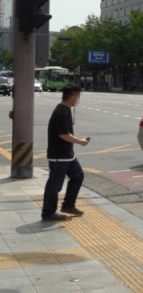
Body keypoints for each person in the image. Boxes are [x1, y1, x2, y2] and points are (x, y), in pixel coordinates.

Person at [42, 84, 90, 221]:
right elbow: (63, 134)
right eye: (78, 96)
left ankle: (68, 205)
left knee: (78, 176)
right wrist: (80, 141)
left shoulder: (66, 110)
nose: (78, 100)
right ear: (72, 96)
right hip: (59, 156)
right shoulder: (62, 112)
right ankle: (48, 212)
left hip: (67, 155)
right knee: (55, 185)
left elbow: (66, 133)